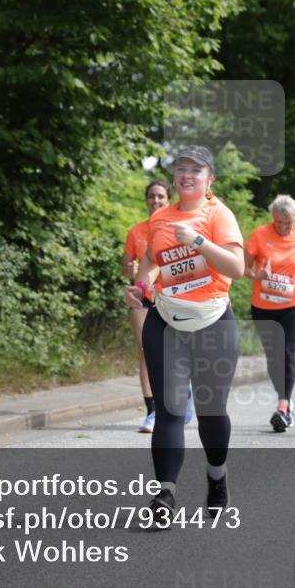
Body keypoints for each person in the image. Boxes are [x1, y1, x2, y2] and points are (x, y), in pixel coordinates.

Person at [124, 146, 244, 522]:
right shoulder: (159, 219)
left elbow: (237, 268)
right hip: (166, 320)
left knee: (210, 413)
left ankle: (217, 475)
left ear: (210, 180)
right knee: (170, 410)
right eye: (180, 169)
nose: (186, 175)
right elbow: (150, 266)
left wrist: (197, 241)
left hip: (212, 323)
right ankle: (165, 495)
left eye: (196, 170)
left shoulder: (219, 215)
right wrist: (141, 289)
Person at [244, 195, 295, 432]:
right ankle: (284, 396)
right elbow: (242, 267)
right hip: (264, 306)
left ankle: (283, 407)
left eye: (288, 223)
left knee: (286, 351)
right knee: (273, 356)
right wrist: (257, 276)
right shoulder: (259, 234)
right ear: (272, 219)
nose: (284, 228)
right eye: (279, 223)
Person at [123, 179, 173, 434]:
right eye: (152, 196)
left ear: (169, 200)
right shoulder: (136, 231)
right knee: (145, 351)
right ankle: (152, 411)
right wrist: (130, 269)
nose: (155, 201)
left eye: (161, 197)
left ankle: (177, 398)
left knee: (175, 353)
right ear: (146, 200)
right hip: (142, 299)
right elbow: (127, 265)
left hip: (172, 297)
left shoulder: (176, 227)